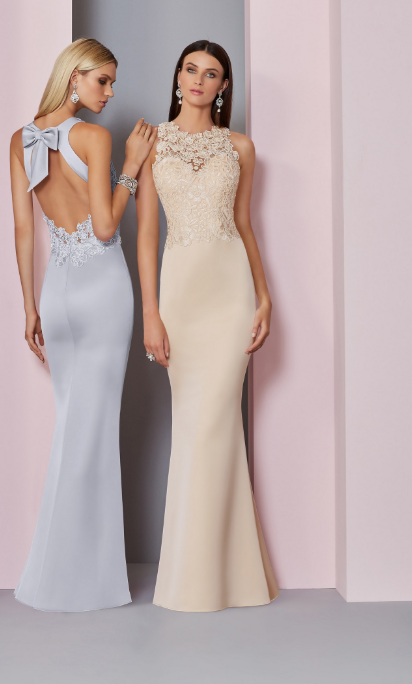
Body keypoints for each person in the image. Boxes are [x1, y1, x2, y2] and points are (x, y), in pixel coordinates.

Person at [10, 37, 156, 612]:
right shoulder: (93, 138)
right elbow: (104, 228)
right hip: (101, 291)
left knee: (73, 425)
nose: (110, 92)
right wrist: (133, 169)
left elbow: (25, 230)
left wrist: (30, 306)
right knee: (92, 432)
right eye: (103, 80)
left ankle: (56, 573)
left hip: (57, 294)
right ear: (74, 77)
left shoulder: (21, 139)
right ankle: (83, 581)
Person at [136, 40, 279, 612]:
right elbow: (147, 234)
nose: (198, 79)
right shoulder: (151, 141)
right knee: (194, 428)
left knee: (217, 424)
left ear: (223, 87)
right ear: (178, 77)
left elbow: (244, 224)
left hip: (230, 294)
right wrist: (150, 312)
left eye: (211, 73)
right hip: (180, 296)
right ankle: (204, 578)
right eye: (190, 69)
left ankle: (217, 579)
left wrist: (264, 297)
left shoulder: (240, 146)